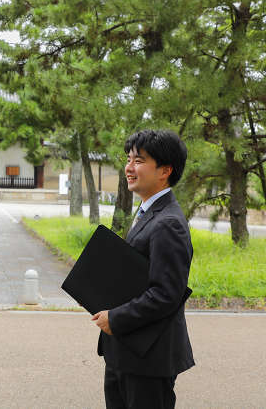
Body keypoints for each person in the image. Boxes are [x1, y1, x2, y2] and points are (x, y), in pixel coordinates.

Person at [92, 129, 194, 409]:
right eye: (128, 159)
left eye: (139, 160)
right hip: (126, 352)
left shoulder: (168, 223)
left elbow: (166, 294)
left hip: (148, 358)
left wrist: (116, 317)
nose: (128, 167)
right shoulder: (147, 213)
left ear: (165, 170)